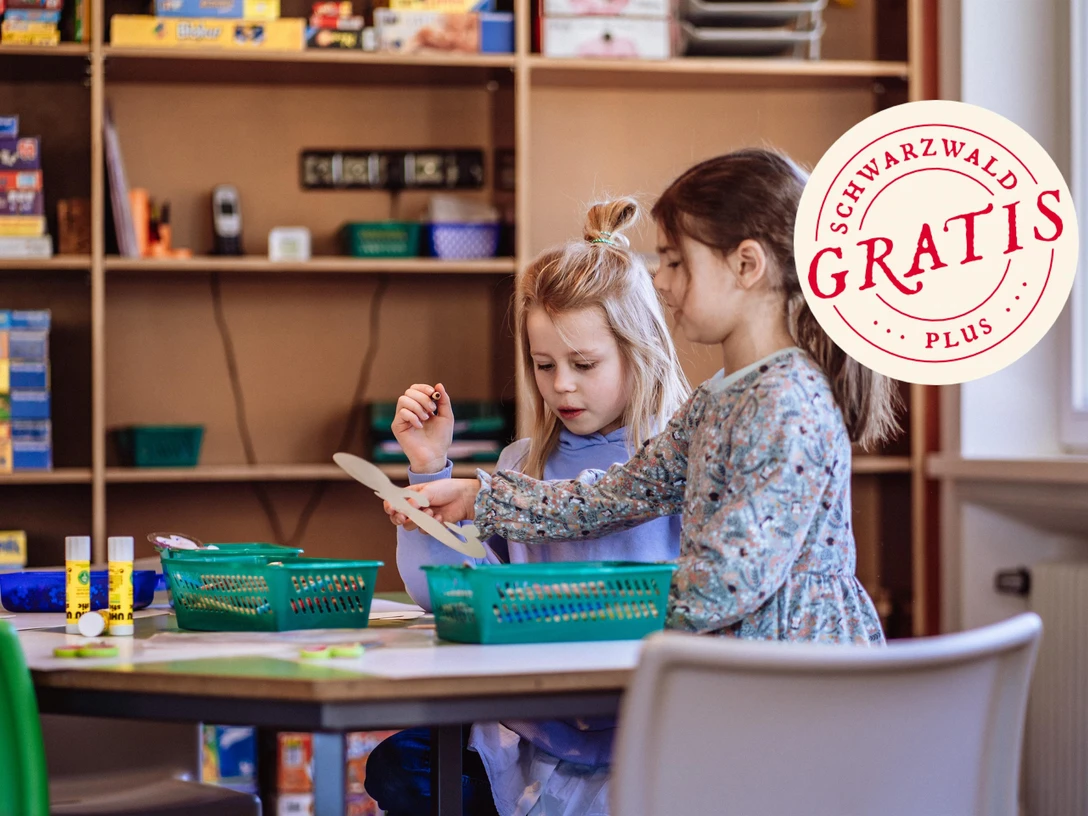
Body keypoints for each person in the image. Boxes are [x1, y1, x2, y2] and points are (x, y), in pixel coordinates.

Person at [387, 147, 900, 648]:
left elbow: (726, 584)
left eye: (676, 262)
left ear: (747, 266)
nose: (660, 279)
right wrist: (481, 497)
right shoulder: (719, 398)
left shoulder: (788, 403)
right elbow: (611, 498)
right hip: (745, 676)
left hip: (798, 680)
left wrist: (565, 604)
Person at [365, 196, 689, 816]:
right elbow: (451, 598)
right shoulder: (520, 465)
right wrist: (430, 471)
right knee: (399, 766)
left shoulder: (677, 464)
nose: (561, 384)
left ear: (640, 351)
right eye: (544, 365)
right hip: (532, 739)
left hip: (650, 739)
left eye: (584, 364)